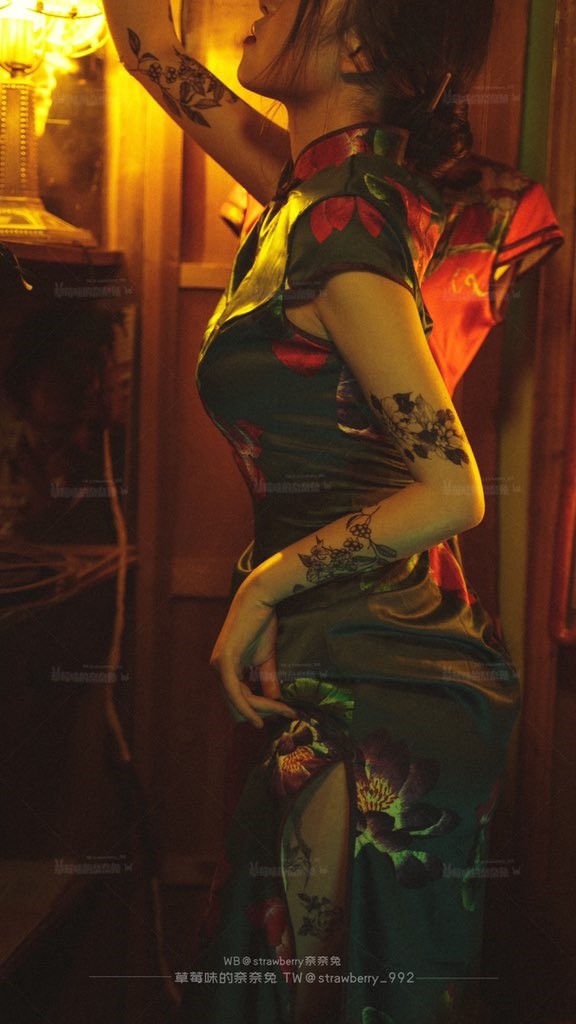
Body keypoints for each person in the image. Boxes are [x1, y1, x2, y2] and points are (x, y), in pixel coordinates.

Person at [102, 1, 560, 1021]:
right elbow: (149, 51)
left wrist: (264, 585)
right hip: (337, 653)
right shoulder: (311, 193)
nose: (261, 4)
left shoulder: (343, 222)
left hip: (374, 682)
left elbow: (453, 488)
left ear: (357, 48)